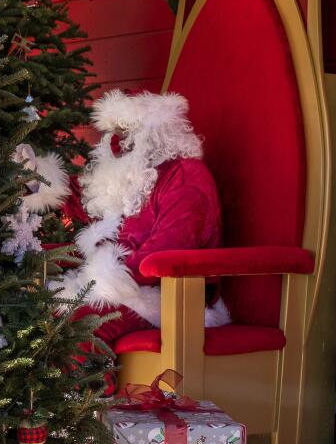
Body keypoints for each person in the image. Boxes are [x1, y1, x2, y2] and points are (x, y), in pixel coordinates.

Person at [53, 89, 229, 349]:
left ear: (151, 135)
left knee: (76, 325)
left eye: (125, 134)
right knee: (43, 312)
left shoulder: (184, 177)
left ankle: (86, 391)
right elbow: (85, 203)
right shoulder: (132, 178)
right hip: (122, 286)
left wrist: (105, 277)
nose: (116, 144)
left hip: (168, 297)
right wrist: (39, 178)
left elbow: (170, 247)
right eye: (114, 133)